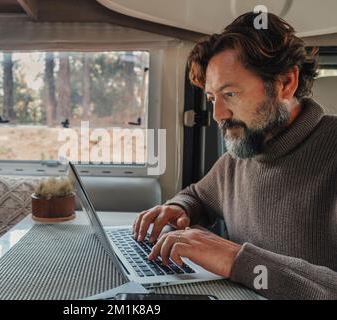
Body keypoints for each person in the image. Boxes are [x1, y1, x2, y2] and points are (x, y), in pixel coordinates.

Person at [133, 12, 337, 300]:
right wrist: (179, 208)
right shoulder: (243, 153)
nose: (218, 115)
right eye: (213, 98)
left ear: (285, 83)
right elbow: (199, 195)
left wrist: (235, 260)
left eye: (230, 94)